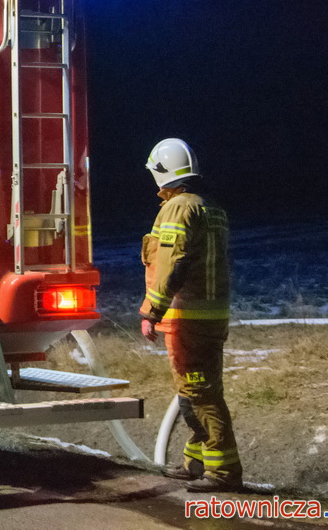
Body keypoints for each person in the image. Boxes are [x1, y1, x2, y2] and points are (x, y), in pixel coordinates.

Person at [139, 138, 242, 492]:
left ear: (162, 172)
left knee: (200, 393)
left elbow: (170, 263)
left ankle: (224, 472)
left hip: (188, 315)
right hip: (211, 315)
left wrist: (152, 311)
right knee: (194, 391)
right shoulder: (210, 207)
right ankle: (195, 461)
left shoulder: (178, 208)